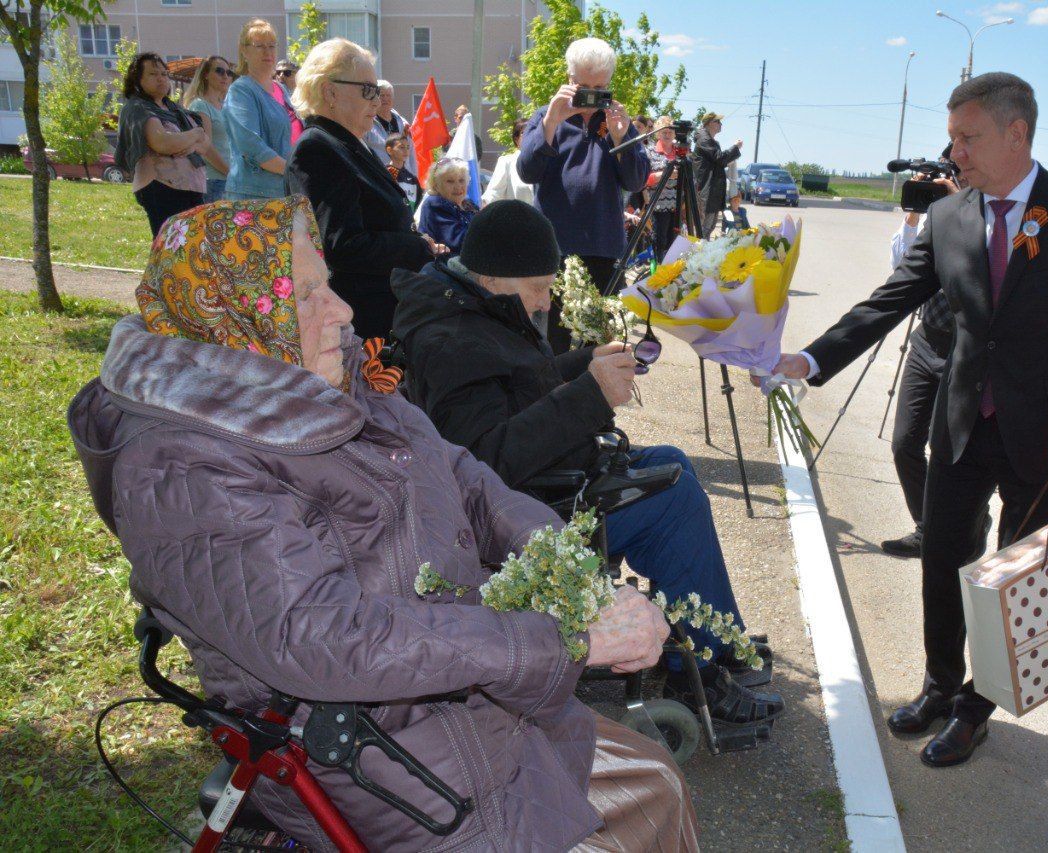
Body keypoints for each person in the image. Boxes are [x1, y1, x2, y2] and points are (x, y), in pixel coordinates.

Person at [67, 196, 699, 851]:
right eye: (307, 292)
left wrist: (562, 568)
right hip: (371, 752)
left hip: (450, 693)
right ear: (241, 311)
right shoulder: (183, 469)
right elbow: (326, 636)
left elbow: (462, 474)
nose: (340, 309)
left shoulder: (320, 376)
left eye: (328, 283)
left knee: (657, 782)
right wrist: (561, 641)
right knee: (631, 814)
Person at [772, 72, 1048, 767]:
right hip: (964, 420)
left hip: (1046, 436)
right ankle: (940, 682)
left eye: (968, 137)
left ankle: (977, 705)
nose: (955, 151)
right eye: (953, 136)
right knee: (942, 557)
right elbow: (889, 301)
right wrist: (811, 360)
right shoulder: (948, 217)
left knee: (1012, 575)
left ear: (1016, 133)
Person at [391, 200, 786, 728]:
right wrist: (588, 396)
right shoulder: (450, 340)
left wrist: (585, 363)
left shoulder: (471, 305)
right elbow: (484, 464)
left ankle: (717, 633)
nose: (547, 299)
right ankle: (700, 676)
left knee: (672, 463)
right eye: (539, 287)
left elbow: (515, 384)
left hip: (547, 478)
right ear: (494, 277)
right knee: (675, 500)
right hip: (522, 514)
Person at [879, 150, 992, 560]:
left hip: (966, 350)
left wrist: (963, 201)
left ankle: (961, 526)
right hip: (927, 341)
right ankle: (928, 527)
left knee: (950, 451)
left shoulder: (986, 208)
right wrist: (914, 213)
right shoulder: (934, 211)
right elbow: (901, 267)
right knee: (904, 443)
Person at [285, 38, 435, 341]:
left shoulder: (348, 144)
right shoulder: (318, 148)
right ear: (330, 92)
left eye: (377, 92)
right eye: (368, 90)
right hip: (358, 324)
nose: (377, 101)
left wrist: (416, 240)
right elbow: (341, 246)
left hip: (381, 312)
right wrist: (416, 248)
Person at [517, 37, 649, 353]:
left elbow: (637, 180)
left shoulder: (618, 121)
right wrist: (550, 122)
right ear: (569, 79)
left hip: (604, 250)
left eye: (600, 89)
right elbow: (527, 171)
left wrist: (621, 138)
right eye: (583, 87)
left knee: (602, 345)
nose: (590, 97)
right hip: (553, 251)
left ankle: (595, 399)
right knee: (554, 345)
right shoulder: (547, 116)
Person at [114, 52, 209, 236]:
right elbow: (162, 142)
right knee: (170, 252)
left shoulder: (176, 109)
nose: (161, 78)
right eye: (153, 74)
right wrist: (195, 134)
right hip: (163, 191)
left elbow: (205, 145)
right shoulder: (137, 108)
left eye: (164, 74)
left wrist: (191, 142)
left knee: (192, 252)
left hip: (192, 190)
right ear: (137, 79)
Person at [224, 19, 294, 200]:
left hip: (284, 191)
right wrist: (294, 170)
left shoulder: (282, 89)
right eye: (260, 46)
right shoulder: (241, 90)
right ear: (244, 51)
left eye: (272, 45)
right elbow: (252, 147)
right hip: (253, 196)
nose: (268, 52)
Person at [184, 55, 234, 203]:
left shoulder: (225, 107)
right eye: (219, 71)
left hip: (228, 181)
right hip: (213, 182)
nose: (225, 76)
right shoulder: (200, 105)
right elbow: (206, 148)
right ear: (205, 74)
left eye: (228, 73)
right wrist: (230, 173)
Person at [691, 112, 742, 237]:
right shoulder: (704, 139)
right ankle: (698, 254)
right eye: (718, 121)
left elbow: (719, 161)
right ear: (709, 123)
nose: (720, 124)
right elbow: (719, 158)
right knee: (704, 228)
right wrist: (735, 147)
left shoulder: (711, 140)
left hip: (712, 190)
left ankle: (702, 252)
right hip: (706, 190)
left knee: (710, 226)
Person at [416, 157, 477, 255]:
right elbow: (459, 241)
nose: (457, 187)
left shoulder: (469, 204)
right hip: (446, 266)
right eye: (450, 181)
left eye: (461, 180)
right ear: (436, 185)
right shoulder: (435, 204)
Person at [645, 116, 682, 260]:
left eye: (670, 131)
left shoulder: (680, 153)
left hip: (678, 207)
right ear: (657, 133)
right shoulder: (650, 152)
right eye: (664, 131)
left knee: (675, 246)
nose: (667, 134)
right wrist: (662, 175)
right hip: (657, 207)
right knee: (659, 245)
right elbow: (642, 180)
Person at [363, 80, 415, 172]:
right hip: (381, 177)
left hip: (404, 178)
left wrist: (415, 179)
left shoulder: (403, 123)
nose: (385, 99)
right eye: (382, 95)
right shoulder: (367, 122)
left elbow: (411, 152)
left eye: (388, 95)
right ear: (374, 98)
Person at [481, 118, 535, 206]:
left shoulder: (547, 162)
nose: (530, 136)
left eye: (533, 132)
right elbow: (494, 194)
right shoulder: (507, 162)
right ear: (516, 139)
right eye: (524, 133)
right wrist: (482, 205)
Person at [384, 132, 421, 210]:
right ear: (389, 150)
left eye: (407, 147)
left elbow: (417, 205)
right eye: (402, 147)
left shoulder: (413, 179)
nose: (406, 151)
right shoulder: (384, 174)